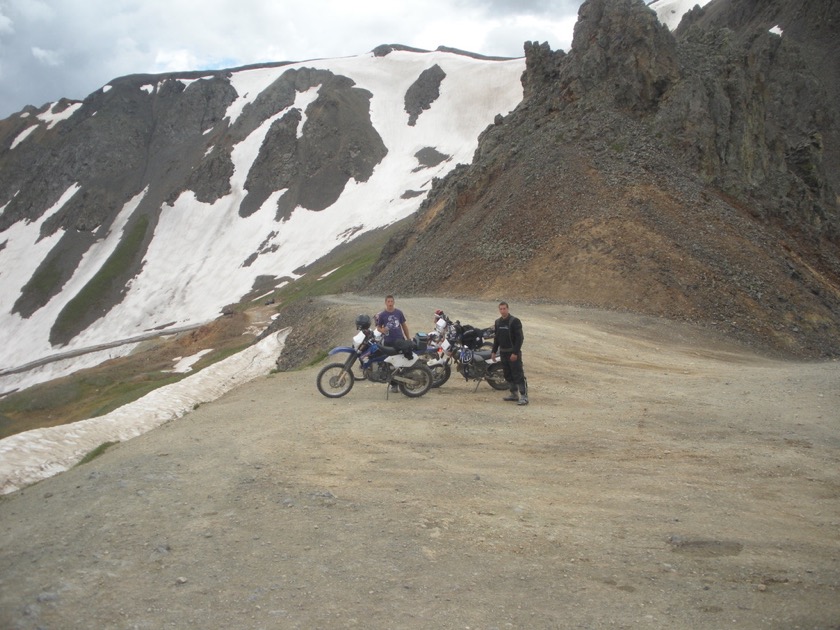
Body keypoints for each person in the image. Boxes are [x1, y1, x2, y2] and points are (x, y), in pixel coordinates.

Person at [490, 301, 528, 405]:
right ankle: (514, 394)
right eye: (501, 309)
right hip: (503, 353)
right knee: (507, 373)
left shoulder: (514, 321)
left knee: (518, 374)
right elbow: (496, 338)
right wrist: (493, 351)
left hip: (513, 353)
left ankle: (524, 396)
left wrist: (515, 353)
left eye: (504, 309)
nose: (502, 311)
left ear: (508, 309)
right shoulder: (498, 322)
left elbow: (520, 338)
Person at [375, 295, 410, 391]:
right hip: (388, 342)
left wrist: (408, 338)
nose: (390, 303)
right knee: (389, 364)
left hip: (399, 340)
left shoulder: (399, 313)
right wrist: (382, 330)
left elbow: (404, 326)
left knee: (400, 362)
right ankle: (393, 385)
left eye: (391, 301)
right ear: (385, 302)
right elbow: (378, 327)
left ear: (394, 302)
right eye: (388, 301)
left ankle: (402, 382)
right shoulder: (382, 315)